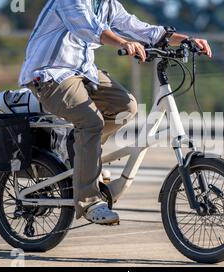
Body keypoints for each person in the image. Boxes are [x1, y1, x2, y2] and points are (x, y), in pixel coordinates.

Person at [19, 0, 213, 225]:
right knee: (91, 122)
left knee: (126, 107)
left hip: (84, 73)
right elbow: (89, 28)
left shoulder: (108, 5)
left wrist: (187, 40)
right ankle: (89, 200)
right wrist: (124, 43)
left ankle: (81, 151)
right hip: (50, 76)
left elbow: (143, 30)